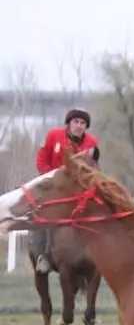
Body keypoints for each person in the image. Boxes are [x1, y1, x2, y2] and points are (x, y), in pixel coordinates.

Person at [30, 108, 100, 274]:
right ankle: (43, 255)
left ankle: (97, 253)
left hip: (77, 189)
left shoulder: (92, 143)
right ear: (68, 123)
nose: (79, 126)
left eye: (83, 123)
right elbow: (41, 160)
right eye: (76, 122)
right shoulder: (53, 135)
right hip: (52, 185)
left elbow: (94, 168)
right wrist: (52, 177)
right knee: (41, 213)